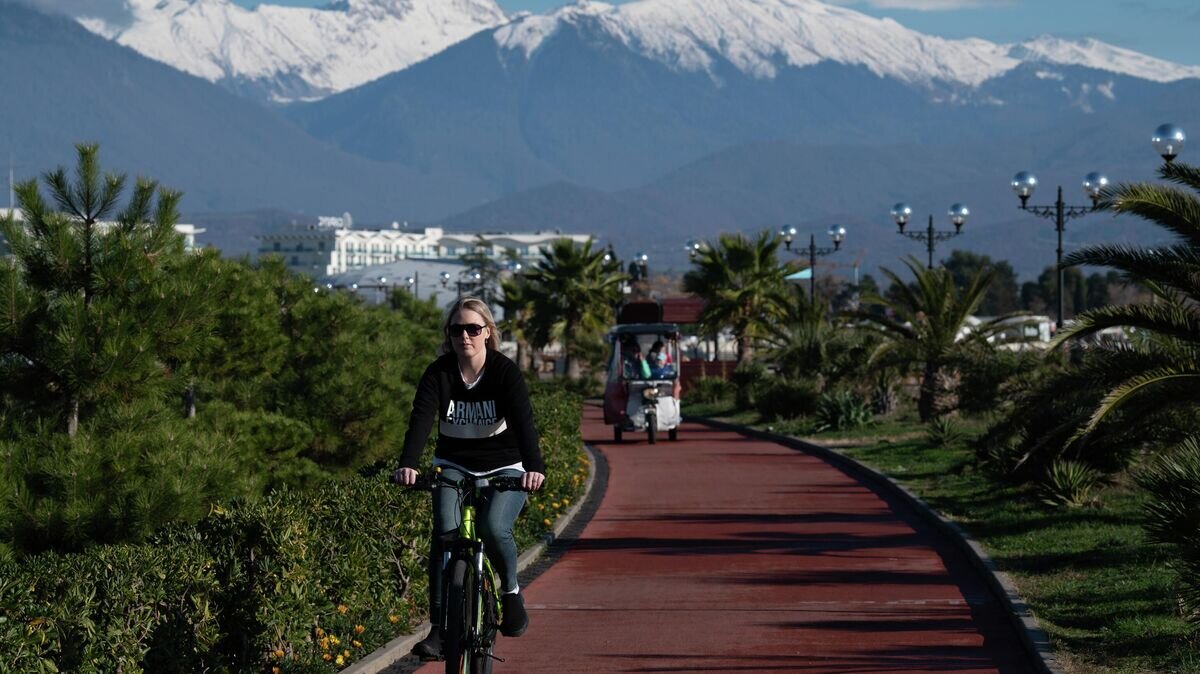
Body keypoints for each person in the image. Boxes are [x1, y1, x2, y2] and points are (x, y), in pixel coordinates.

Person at [393, 297, 546, 660]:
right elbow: (421, 418)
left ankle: (509, 592)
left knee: (494, 527)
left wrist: (534, 467)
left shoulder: (504, 372)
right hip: (454, 465)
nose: (465, 336)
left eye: (473, 329)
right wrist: (408, 463)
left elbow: (524, 423)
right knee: (445, 535)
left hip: (505, 466)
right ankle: (439, 630)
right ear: (449, 335)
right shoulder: (439, 373)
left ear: (487, 333)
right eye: (457, 329)